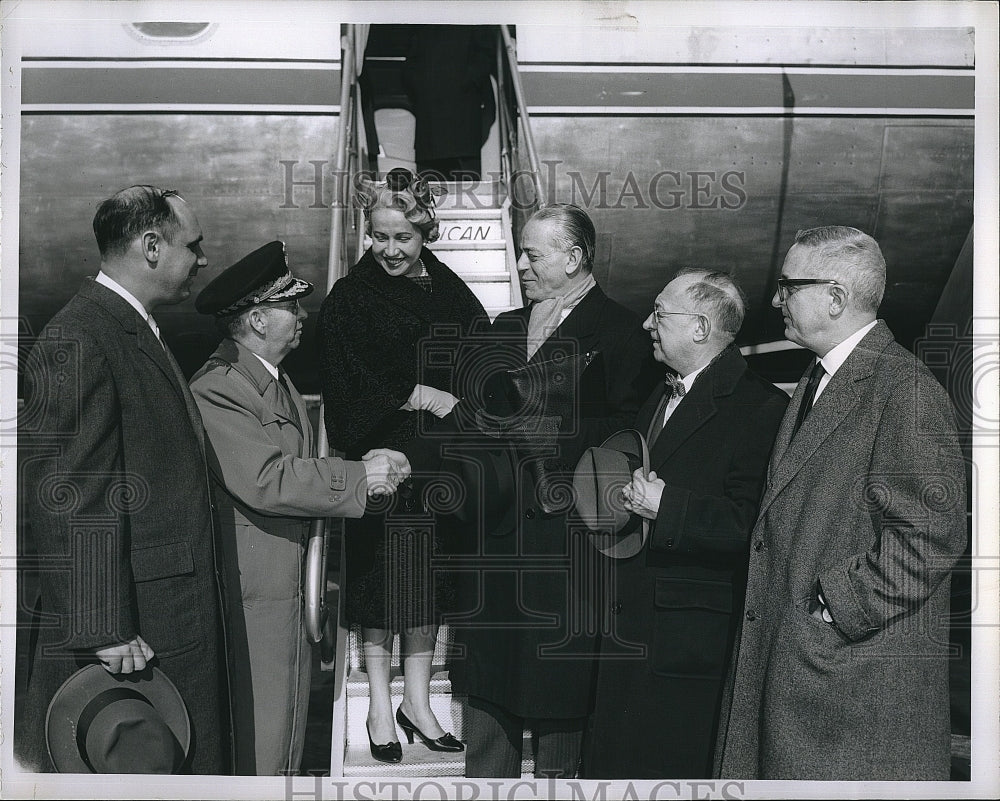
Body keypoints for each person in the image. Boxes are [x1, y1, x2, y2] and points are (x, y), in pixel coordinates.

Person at [714, 226, 968, 780]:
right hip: (815, 681)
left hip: (851, 687)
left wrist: (836, 606)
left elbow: (932, 533)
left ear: (835, 297)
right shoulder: (820, 379)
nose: (778, 299)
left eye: (789, 285)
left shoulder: (905, 389)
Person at [16, 185, 230, 773]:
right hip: (133, 632)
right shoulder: (82, 337)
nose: (202, 260)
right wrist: (103, 625)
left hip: (164, 609)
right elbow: (69, 490)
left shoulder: (127, 327)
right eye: (194, 245)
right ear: (152, 246)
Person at [188, 241, 411, 775]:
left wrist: (364, 467)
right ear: (260, 319)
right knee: (261, 740)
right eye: (291, 307)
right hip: (253, 598)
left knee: (284, 730)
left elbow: (293, 464)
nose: (302, 315)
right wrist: (356, 477)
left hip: (282, 589)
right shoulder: (218, 389)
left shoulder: (270, 380)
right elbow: (266, 478)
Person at [452, 203, 658, 778]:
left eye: (533, 254)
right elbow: (475, 417)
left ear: (574, 258)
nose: (520, 264)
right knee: (488, 701)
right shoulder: (505, 328)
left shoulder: (622, 333)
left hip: (569, 550)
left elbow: (632, 433)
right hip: (497, 544)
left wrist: (550, 425)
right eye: (521, 252)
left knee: (561, 707)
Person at [580, 269, 788, 779]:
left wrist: (667, 506)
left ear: (699, 328)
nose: (647, 324)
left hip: (684, 649)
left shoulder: (762, 408)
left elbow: (754, 528)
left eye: (660, 313)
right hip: (628, 628)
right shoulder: (660, 389)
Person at [317, 168, 487, 763]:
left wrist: (461, 402)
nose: (388, 250)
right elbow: (341, 380)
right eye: (379, 237)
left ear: (425, 235)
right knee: (377, 588)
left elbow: (479, 351)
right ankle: (379, 710)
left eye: (402, 239)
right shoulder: (350, 297)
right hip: (381, 461)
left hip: (435, 463)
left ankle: (418, 702)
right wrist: (417, 393)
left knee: (425, 588)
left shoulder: (448, 288)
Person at [403, 25, 496, 181]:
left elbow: (485, 56)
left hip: (457, 119)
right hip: (443, 121)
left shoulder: (426, 23)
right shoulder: (425, 24)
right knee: (434, 183)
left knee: (459, 183)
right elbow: (410, 68)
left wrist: (463, 82)